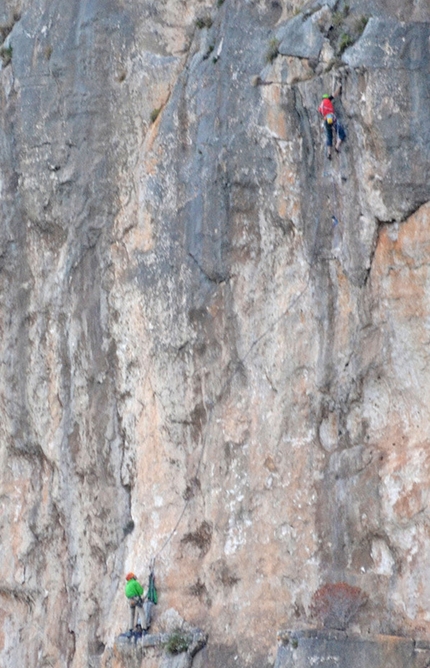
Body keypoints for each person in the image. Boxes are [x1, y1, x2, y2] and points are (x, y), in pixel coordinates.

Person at [318, 86, 346, 159]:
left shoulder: (320, 106)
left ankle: (329, 153)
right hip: (330, 117)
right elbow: (335, 94)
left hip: (325, 120)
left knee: (329, 135)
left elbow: (321, 113)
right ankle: (337, 146)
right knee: (341, 132)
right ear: (327, 98)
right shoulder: (327, 100)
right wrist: (339, 87)